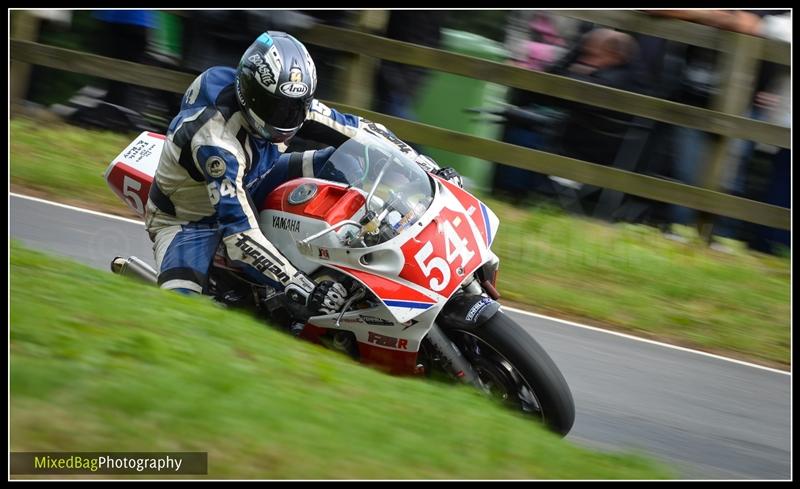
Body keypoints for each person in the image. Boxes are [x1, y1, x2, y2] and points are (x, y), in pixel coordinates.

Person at [145, 31, 459, 319]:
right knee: (181, 313)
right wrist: (303, 287)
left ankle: (381, 235)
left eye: (296, 107)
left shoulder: (292, 103)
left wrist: (424, 166)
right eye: (278, 108)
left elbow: (358, 130)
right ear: (250, 93)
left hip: (258, 175)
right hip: (191, 218)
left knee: (350, 159)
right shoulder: (216, 141)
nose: (290, 118)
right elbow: (239, 235)